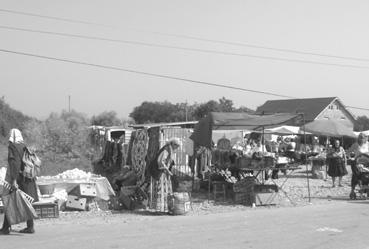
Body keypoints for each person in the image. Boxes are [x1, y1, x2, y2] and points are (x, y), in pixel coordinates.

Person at [0, 128, 39, 235]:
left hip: (18, 179)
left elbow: (15, 164)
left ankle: (5, 228)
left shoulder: (13, 147)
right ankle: (30, 227)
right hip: (28, 180)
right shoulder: (23, 146)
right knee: (25, 202)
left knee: (10, 201)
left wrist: (13, 180)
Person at [150, 138, 180, 213]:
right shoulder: (166, 150)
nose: (177, 148)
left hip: (163, 173)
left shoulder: (169, 150)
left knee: (165, 191)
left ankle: (164, 208)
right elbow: (160, 161)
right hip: (160, 173)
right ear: (173, 144)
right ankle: (159, 209)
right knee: (161, 190)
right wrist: (167, 171)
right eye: (176, 146)